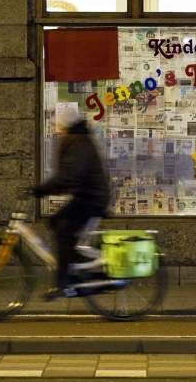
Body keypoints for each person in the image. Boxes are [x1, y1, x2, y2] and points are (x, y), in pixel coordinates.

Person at [32, 106, 111, 300]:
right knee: (54, 222)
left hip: (92, 199)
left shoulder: (78, 142)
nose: (55, 128)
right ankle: (73, 261)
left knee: (64, 231)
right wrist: (45, 190)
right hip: (87, 196)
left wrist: (41, 190)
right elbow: (68, 177)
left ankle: (63, 283)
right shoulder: (77, 139)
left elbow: (69, 177)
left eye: (58, 124)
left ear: (66, 124)